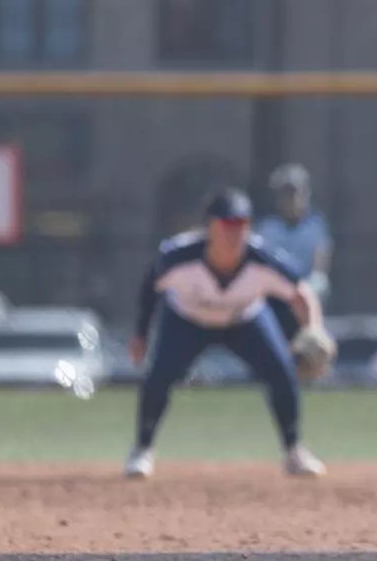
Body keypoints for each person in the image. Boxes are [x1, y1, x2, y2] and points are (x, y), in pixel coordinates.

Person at [124, 188, 327, 480]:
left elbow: (301, 293)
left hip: (243, 319)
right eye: (227, 225)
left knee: (282, 371)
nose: (235, 233)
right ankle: (142, 450)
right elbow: (150, 286)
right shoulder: (179, 257)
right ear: (210, 228)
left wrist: (314, 328)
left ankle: (294, 451)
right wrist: (141, 334)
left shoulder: (262, 259)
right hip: (187, 319)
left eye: (242, 225)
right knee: (159, 375)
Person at [254, 164, 333, 303]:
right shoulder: (267, 228)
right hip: (275, 295)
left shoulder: (316, 226)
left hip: (307, 292)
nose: (291, 200)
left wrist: (308, 289)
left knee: (320, 286)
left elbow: (320, 268)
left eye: (295, 193)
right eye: (285, 194)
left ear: (306, 194)